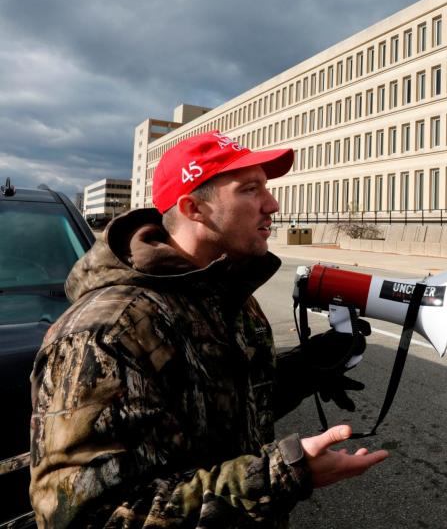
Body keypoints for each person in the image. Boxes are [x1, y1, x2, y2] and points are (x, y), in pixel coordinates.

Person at [30, 131, 388, 528]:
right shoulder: (106, 332)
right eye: (251, 190)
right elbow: (88, 517)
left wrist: (307, 368)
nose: (273, 204)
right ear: (193, 208)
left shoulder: (228, 297)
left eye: (266, 189)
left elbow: (221, 409)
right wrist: (281, 476)